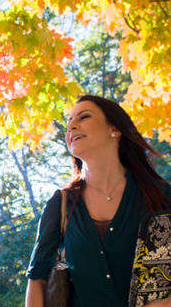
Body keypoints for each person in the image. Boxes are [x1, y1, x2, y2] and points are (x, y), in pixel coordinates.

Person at [25, 95, 171, 307]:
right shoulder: (61, 204)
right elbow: (37, 279)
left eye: (84, 117)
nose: (72, 126)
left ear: (115, 129)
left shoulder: (161, 196)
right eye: (69, 123)